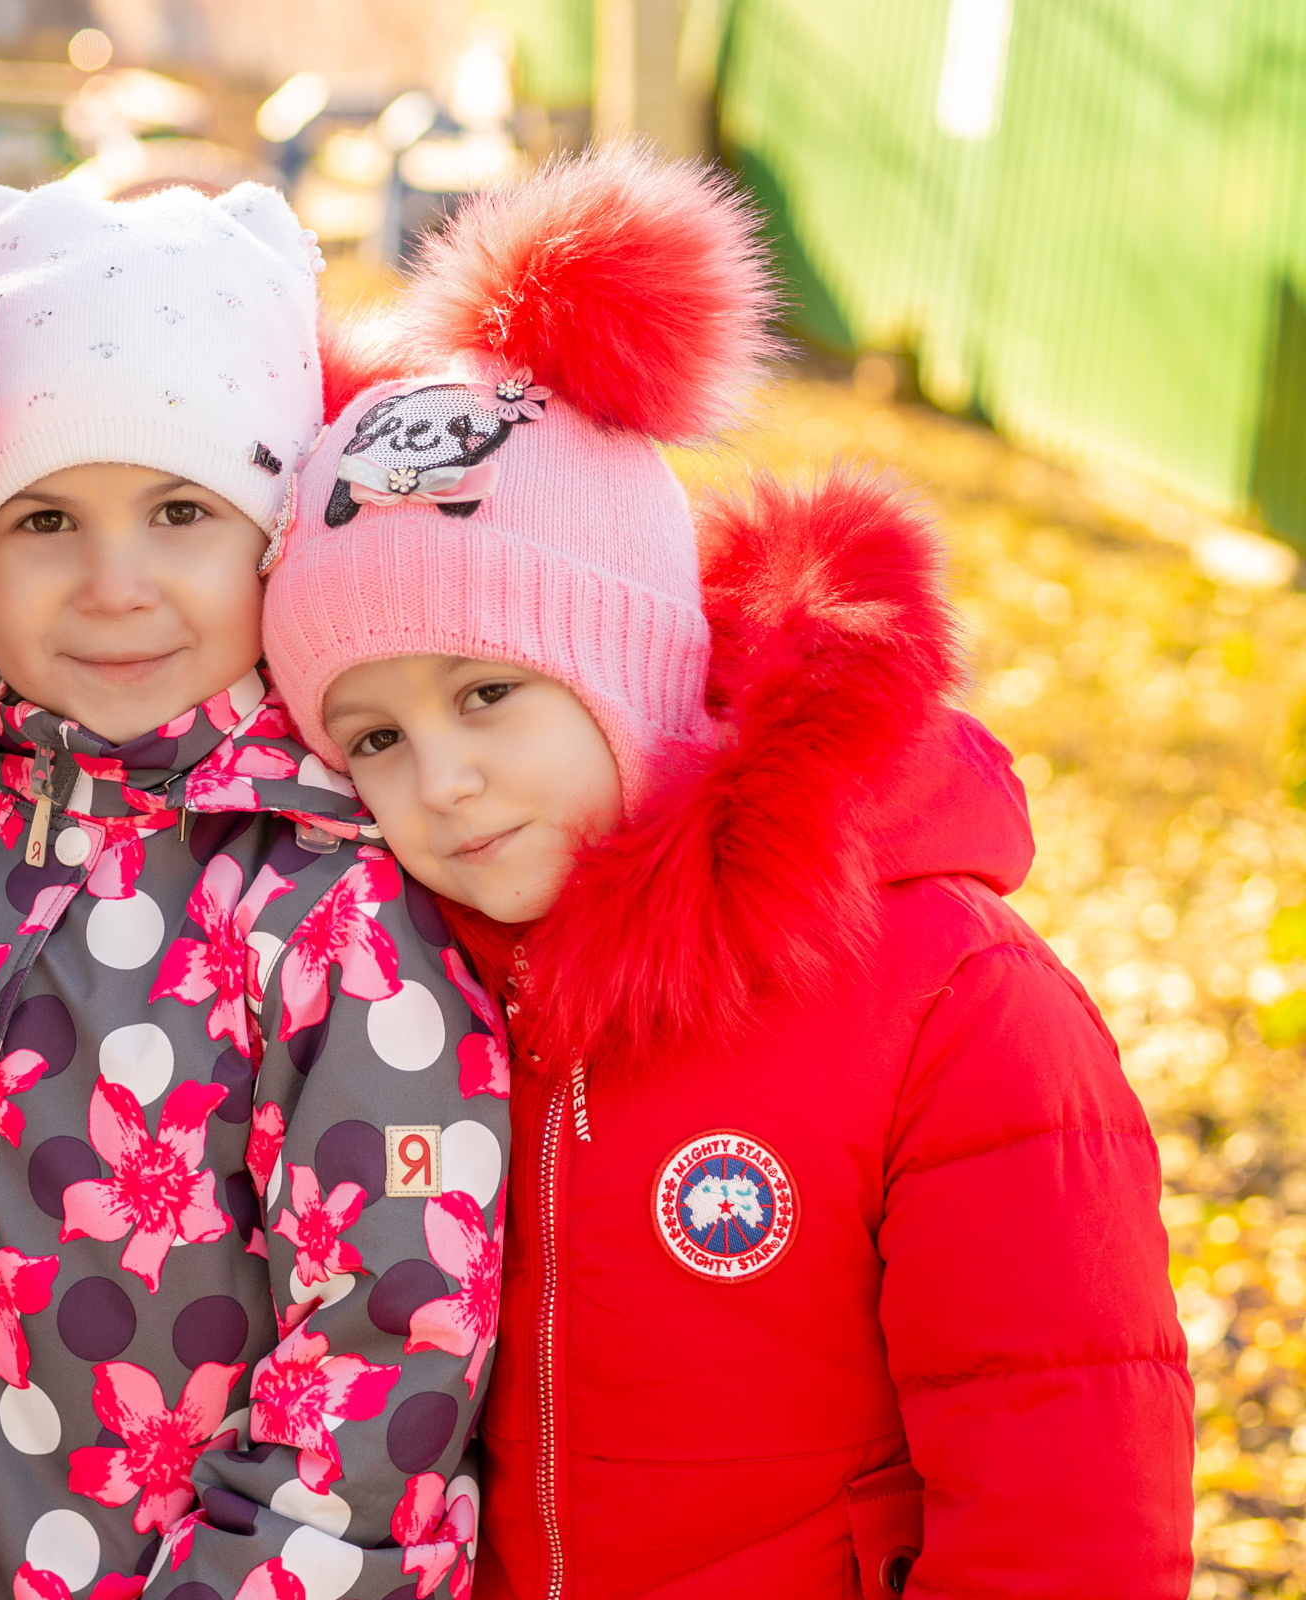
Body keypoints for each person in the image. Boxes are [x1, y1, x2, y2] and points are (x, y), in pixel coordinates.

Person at [262, 147, 1194, 1597]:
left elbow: (1068, 1481)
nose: (439, 780)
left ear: (631, 662)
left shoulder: (944, 1000)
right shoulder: (404, 988)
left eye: (490, 694)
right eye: (374, 736)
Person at [0, 178, 512, 1600]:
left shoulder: (325, 903)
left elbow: (385, 1348)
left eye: (181, 510)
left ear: (274, 534)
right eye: (44, 520)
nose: (115, 583)